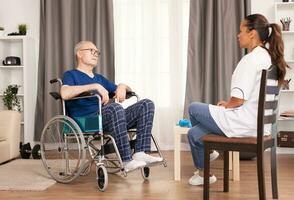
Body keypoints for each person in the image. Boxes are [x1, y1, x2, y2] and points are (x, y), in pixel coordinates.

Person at [187, 14, 288, 186]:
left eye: (241, 31)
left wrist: (226, 105)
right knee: (194, 134)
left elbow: (238, 99)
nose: (237, 35)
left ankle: (208, 152)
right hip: (259, 125)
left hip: (244, 122)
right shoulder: (268, 58)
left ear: (252, 34)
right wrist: (228, 106)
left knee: (194, 108)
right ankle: (205, 173)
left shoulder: (251, 59)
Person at [61, 41, 163, 172]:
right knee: (115, 107)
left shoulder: (99, 78)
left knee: (146, 104)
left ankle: (140, 152)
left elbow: (124, 91)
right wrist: (94, 86)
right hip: (87, 121)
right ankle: (126, 160)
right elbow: (64, 93)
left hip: (110, 119)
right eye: (92, 51)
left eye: (97, 52)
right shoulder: (71, 75)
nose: (96, 54)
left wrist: (122, 86)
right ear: (79, 54)